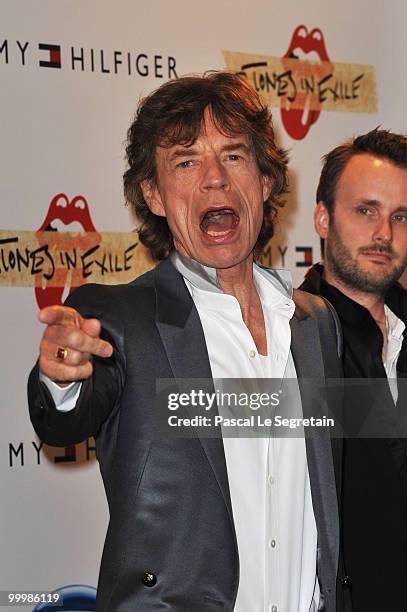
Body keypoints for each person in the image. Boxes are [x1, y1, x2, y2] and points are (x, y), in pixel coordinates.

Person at [28, 72, 342, 612]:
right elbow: (65, 421)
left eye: (235, 156)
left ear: (266, 182)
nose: (215, 179)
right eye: (186, 161)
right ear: (153, 194)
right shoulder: (116, 319)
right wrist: (60, 379)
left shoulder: (314, 321)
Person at [300, 129, 407, 611]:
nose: (383, 233)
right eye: (365, 210)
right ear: (323, 218)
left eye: (400, 216)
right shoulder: (285, 340)